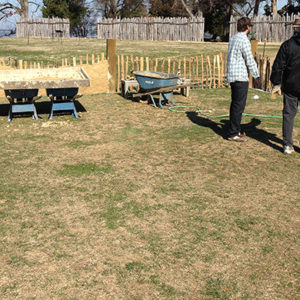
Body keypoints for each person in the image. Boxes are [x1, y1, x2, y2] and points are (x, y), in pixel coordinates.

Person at [227, 17, 261, 142]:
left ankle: (235, 129)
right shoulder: (244, 40)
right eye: (250, 26)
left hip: (232, 75)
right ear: (247, 27)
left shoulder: (233, 38)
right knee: (238, 106)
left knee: (235, 104)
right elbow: (249, 59)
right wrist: (256, 75)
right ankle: (233, 133)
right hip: (240, 76)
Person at [270, 17, 300, 154]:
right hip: (292, 85)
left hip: (291, 85)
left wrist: (276, 82)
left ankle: (288, 144)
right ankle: (288, 144)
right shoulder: (287, 45)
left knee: (288, 115)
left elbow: (278, 66)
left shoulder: (287, 45)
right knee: (289, 114)